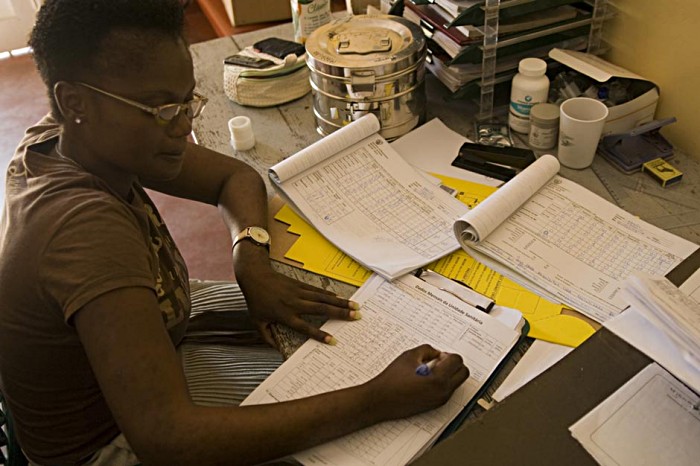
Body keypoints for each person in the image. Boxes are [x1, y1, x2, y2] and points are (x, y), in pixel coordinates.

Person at [0, 1, 469, 465]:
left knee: (339, 322)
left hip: (160, 339)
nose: (184, 126)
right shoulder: (84, 233)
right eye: (161, 109)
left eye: (187, 102)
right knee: (389, 423)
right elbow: (169, 440)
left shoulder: (68, 138)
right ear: (75, 102)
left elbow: (235, 178)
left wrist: (251, 259)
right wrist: (374, 401)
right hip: (106, 445)